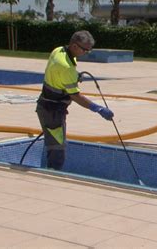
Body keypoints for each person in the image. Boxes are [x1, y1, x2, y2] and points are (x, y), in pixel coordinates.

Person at [36, 30, 114, 170]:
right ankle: (52, 178)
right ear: (74, 46)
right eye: (85, 49)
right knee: (57, 149)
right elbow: (76, 96)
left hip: (48, 107)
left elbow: (58, 74)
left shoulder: (59, 50)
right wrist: (98, 109)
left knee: (54, 144)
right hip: (51, 111)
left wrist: (75, 76)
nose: (86, 53)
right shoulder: (66, 67)